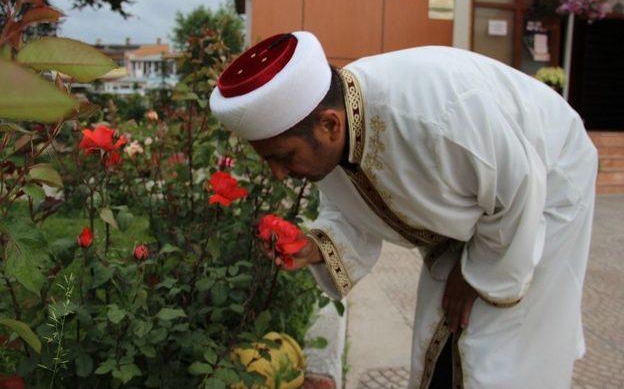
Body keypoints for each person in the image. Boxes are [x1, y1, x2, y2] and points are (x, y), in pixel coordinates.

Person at [209, 31, 598, 389]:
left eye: (284, 157)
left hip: (550, 182)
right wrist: (311, 248)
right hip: (490, 203)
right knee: (440, 329)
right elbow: (349, 209)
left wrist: (474, 275)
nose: (279, 175)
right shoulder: (333, 124)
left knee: (498, 349)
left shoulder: (437, 114)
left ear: (329, 125)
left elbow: (520, 188)